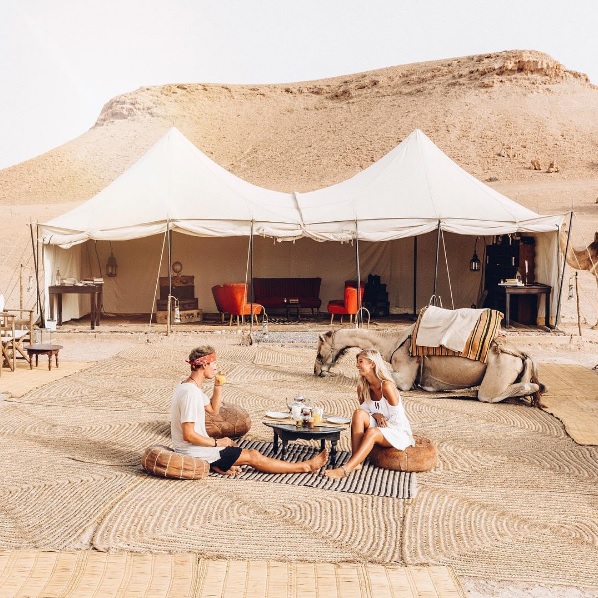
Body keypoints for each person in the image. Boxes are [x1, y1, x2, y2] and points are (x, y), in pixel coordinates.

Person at [171, 345, 328, 476]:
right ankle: (306, 466)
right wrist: (217, 442)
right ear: (204, 365)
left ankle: (219, 464)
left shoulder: (189, 387)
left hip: (198, 449)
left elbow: (213, 410)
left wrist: (218, 386)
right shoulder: (190, 393)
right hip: (192, 452)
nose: (216, 367)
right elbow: (189, 434)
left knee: (231, 445)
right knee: (253, 455)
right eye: (213, 363)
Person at [324, 349, 414, 479]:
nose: (357, 365)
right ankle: (357, 462)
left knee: (372, 431)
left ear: (372, 364)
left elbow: (398, 418)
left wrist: (381, 426)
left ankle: (345, 469)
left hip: (397, 430)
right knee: (358, 414)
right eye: (357, 362)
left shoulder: (387, 386)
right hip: (378, 424)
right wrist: (376, 415)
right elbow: (366, 412)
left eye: (361, 362)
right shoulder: (362, 388)